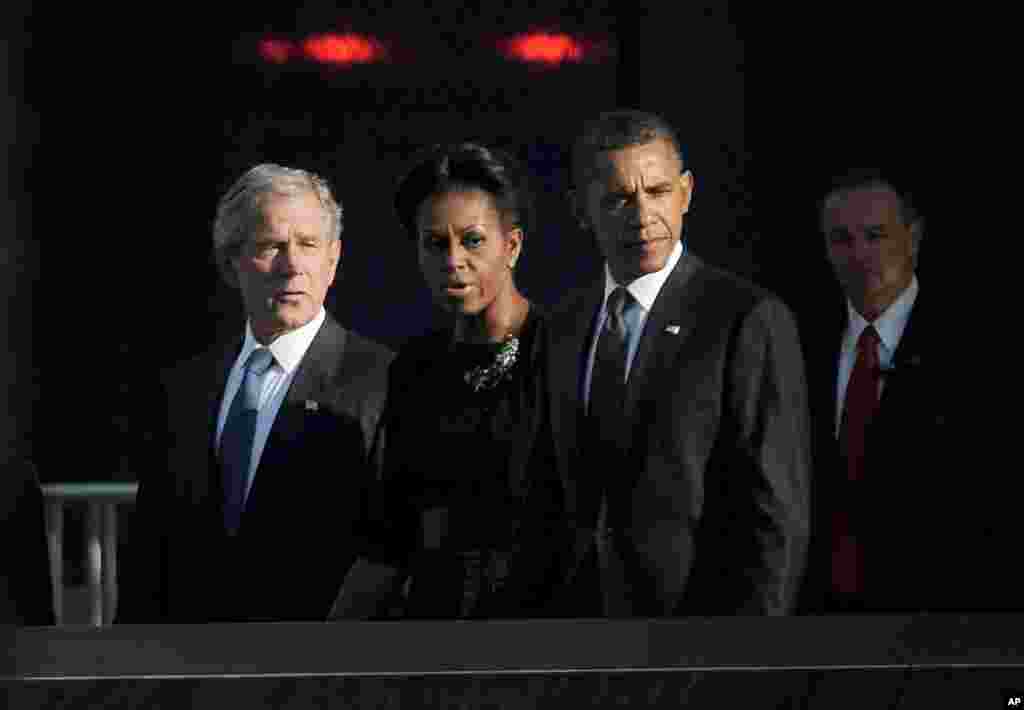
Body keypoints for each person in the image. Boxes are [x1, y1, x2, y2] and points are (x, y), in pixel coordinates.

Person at [546, 110, 811, 617]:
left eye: (658, 191)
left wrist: (759, 648)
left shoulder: (745, 317)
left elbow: (777, 510)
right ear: (581, 209)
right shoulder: (564, 325)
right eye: (619, 198)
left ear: (686, 193)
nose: (642, 215)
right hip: (579, 631)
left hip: (699, 633)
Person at [117, 164, 393, 623]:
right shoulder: (187, 388)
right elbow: (151, 550)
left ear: (333, 260)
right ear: (231, 262)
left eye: (308, 244)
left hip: (321, 658)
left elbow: (388, 552)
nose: (292, 265)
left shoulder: (382, 381)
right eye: (271, 246)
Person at [341, 143, 567, 619]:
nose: (453, 260)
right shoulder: (416, 368)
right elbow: (389, 536)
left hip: (544, 629)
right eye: (435, 243)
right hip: (435, 630)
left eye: (473, 240)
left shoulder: (564, 353)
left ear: (512, 246)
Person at [798, 169, 1008, 613]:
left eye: (875, 236)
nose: (859, 255)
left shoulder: (980, 349)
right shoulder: (799, 341)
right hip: (819, 616)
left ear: (913, 237)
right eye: (841, 239)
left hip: (941, 613)